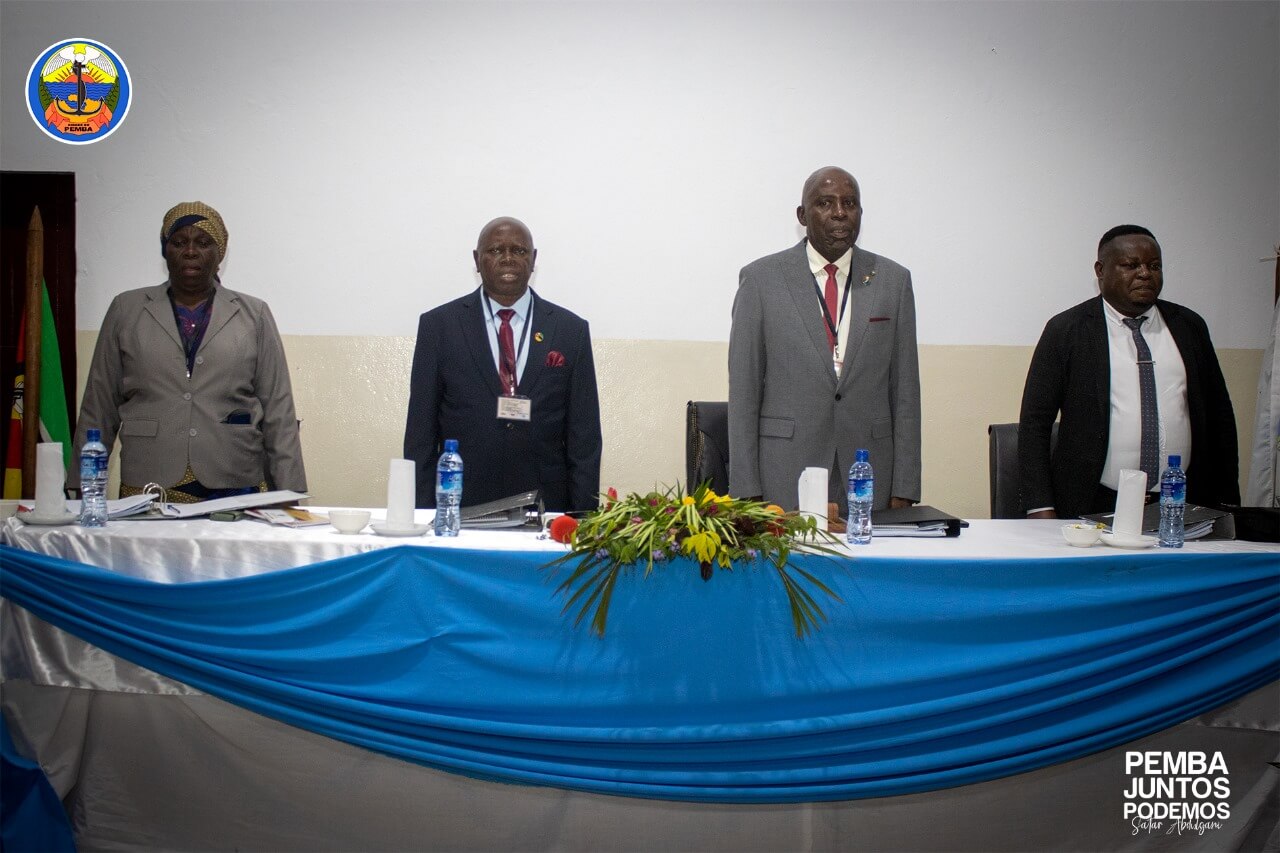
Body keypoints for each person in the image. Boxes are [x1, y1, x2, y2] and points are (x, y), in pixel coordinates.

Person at [75, 201, 307, 501]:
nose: (190, 251)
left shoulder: (254, 314)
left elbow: (278, 408)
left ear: (219, 253)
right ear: (165, 249)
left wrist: (289, 493)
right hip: (148, 481)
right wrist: (80, 485)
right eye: (179, 242)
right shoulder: (126, 309)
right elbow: (99, 403)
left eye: (203, 243)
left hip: (233, 480)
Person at [728, 166, 921, 511]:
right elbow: (744, 392)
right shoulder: (761, 280)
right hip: (784, 473)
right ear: (802, 215)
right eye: (825, 203)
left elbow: (905, 392)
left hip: (869, 473)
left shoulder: (893, 281)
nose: (840, 213)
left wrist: (905, 486)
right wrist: (746, 490)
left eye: (850, 203)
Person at [1018, 225, 1238, 519]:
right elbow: (1035, 423)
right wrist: (1040, 506)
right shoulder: (1067, 330)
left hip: (1181, 502)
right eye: (1131, 265)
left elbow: (1220, 417)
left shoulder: (1188, 327)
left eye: (1154, 266)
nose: (1145, 274)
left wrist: (1228, 502)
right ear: (1100, 270)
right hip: (1091, 502)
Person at [404, 217, 601, 512]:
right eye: (496, 250)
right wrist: (421, 515)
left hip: (545, 504)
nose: (508, 258)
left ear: (533, 260)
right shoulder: (439, 326)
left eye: (519, 251)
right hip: (460, 502)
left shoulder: (570, 330)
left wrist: (582, 520)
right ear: (477, 260)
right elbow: (420, 433)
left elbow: (584, 437)